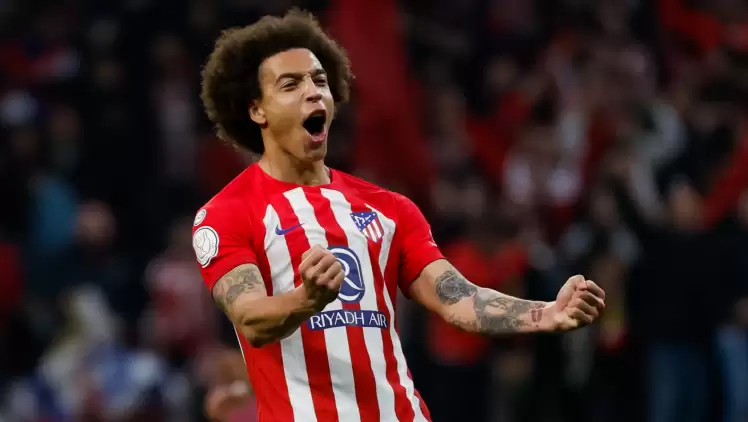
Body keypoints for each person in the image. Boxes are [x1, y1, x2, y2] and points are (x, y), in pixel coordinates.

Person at [193, 9, 606, 422]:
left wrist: (545, 313)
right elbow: (251, 319)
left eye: (319, 81)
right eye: (291, 84)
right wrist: (306, 300)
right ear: (257, 110)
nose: (313, 92)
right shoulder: (226, 214)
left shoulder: (389, 208)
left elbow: (457, 298)